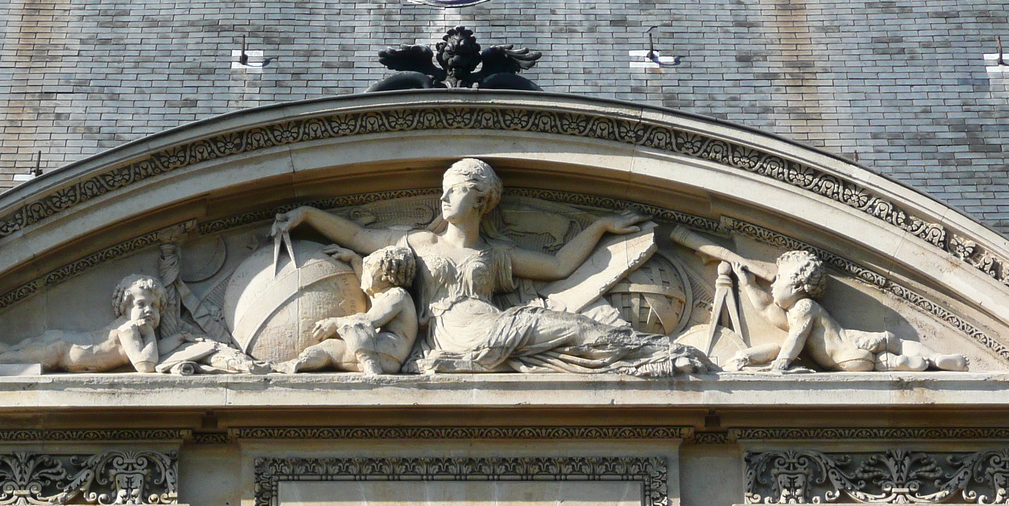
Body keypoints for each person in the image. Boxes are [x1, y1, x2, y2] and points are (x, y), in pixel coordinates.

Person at [272, 158, 705, 376]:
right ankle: (654, 356)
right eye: (443, 191)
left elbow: (557, 265)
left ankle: (653, 356)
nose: (443, 199)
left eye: (454, 190)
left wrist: (600, 226)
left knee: (578, 331)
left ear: (481, 198)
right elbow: (362, 239)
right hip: (453, 329)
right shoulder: (422, 243)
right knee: (574, 331)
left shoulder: (496, 256)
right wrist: (308, 213)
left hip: (494, 323)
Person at [728, 250, 968, 373]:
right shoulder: (796, 310)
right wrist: (748, 283)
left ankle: (906, 363)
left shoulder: (803, 307)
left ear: (797, 284)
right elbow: (766, 310)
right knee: (894, 343)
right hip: (851, 349)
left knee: (882, 355)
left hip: (842, 359)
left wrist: (783, 362)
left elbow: (796, 337)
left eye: (778, 278)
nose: (771, 283)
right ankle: (925, 359)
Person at [0, 273, 168, 372]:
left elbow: (160, 351)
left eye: (154, 306)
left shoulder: (129, 328)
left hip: (70, 342)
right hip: (68, 350)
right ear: (125, 307)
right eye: (141, 304)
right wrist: (149, 333)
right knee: (13, 358)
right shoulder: (128, 329)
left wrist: (183, 339)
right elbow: (145, 364)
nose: (149, 310)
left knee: (14, 350)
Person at [274, 244, 419, 376]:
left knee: (357, 324)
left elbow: (369, 321)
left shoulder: (398, 295)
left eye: (369, 267)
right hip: (380, 349)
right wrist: (354, 258)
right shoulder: (381, 294)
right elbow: (366, 284)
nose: (365, 270)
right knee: (328, 348)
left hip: (389, 352)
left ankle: (370, 363)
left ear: (385, 276)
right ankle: (296, 364)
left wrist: (335, 322)